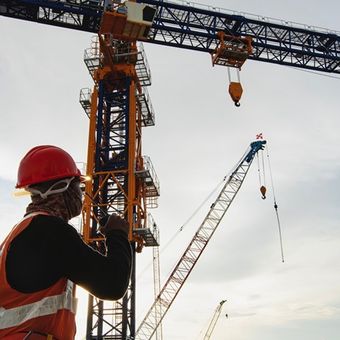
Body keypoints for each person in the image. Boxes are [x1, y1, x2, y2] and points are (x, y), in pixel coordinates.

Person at [0, 145, 132, 340]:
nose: (80, 195)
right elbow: (112, 285)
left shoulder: (22, 232)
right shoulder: (51, 231)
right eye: (78, 187)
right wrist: (118, 235)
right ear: (63, 188)